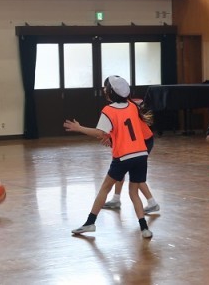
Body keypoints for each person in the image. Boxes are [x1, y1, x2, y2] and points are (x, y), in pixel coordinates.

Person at [64, 75, 153, 238]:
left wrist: (79, 128)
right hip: (141, 154)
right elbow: (124, 130)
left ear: (110, 92)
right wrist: (111, 137)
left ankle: (90, 222)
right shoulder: (132, 106)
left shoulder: (108, 110)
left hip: (123, 156)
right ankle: (144, 228)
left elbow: (100, 133)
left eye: (106, 88)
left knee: (105, 188)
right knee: (134, 192)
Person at [102, 102, 160, 213]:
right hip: (137, 139)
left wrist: (108, 135)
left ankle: (152, 202)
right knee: (122, 167)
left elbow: (122, 126)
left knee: (135, 172)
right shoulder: (121, 105)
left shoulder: (124, 106)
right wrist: (109, 136)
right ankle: (116, 199)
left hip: (143, 140)